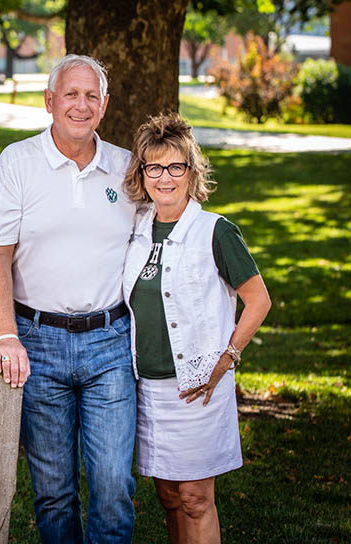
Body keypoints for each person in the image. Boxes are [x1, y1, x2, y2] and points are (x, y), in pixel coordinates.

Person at [0, 54, 138, 543]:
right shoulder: (17, 163)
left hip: (110, 343)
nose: (81, 105)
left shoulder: (127, 169)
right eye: (71, 94)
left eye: (91, 96)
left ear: (104, 105)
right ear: (50, 101)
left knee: (113, 484)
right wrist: (5, 334)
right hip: (35, 344)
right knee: (53, 491)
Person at [122, 112, 270, 543]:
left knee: (195, 498)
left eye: (175, 167)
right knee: (168, 496)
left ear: (191, 171)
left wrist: (227, 358)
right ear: (142, 173)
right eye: (154, 167)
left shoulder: (215, 231)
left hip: (198, 388)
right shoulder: (136, 229)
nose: (164, 177)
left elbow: (258, 300)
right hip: (147, 389)